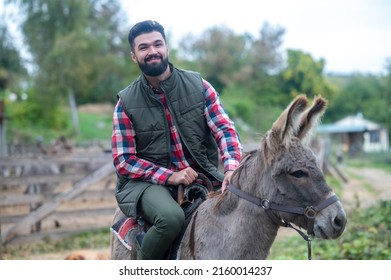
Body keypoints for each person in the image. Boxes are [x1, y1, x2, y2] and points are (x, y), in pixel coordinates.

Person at [111, 20, 242, 260]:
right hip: (147, 183)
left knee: (244, 205)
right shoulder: (126, 103)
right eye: (143, 47)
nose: (152, 51)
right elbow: (124, 160)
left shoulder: (199, 86)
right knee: (171, 219)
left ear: (167, 47)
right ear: (134, 56)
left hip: (201, 172)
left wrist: (232, 168)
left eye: (157, 44)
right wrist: (170, 176)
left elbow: (224, 129)